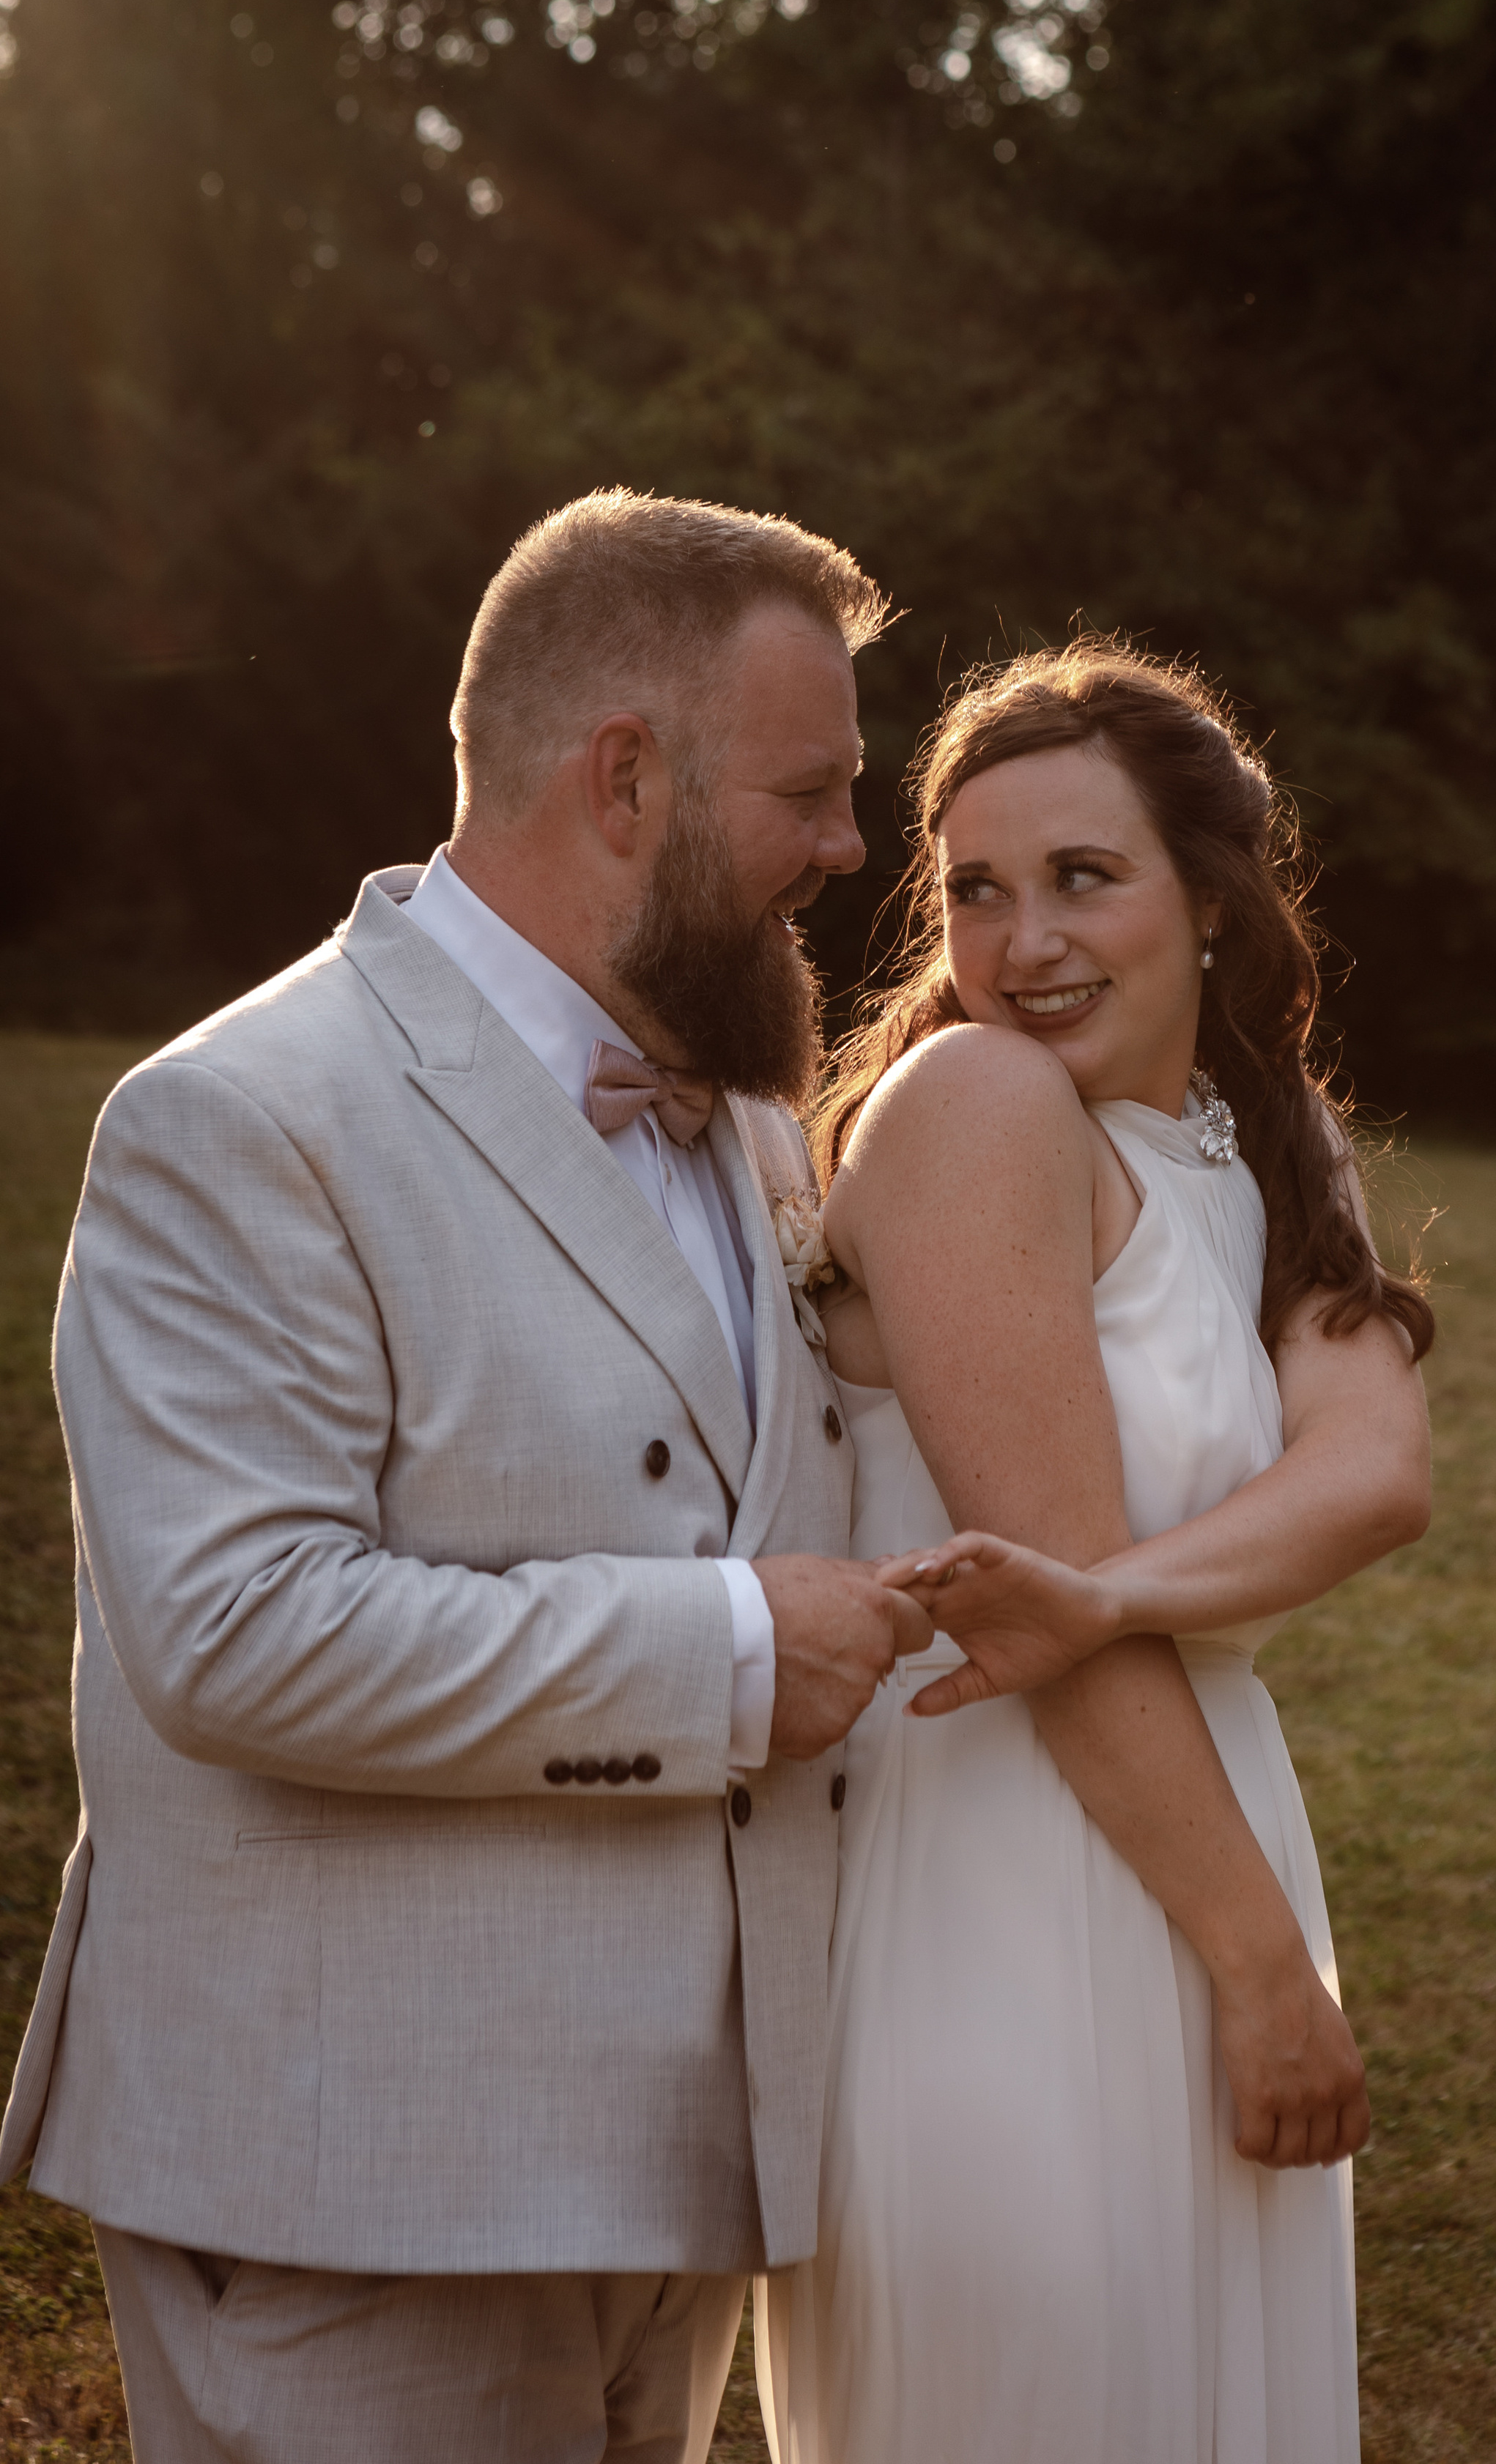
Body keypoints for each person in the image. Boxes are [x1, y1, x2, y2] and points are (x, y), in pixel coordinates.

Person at [0, 489, 938, 2464]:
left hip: (674, 2181)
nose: (855, 847)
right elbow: (241, 1634)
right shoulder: (241, 1121)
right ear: (626, 781)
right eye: (816, 788)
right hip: (357, 2183)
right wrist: (735, 1655)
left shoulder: (754, 1120)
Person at [757, 640, 1435, 2464]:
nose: (1021, 941)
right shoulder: (977, 1109)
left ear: (1208, 903)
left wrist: (1112, 1592)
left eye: (1081, 878)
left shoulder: (1266, 1143)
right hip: (1000, 1879)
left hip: (1192, 1823)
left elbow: (1372, 1472)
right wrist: (1262, 1972)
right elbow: (1030, 1622)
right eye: (973, 889)